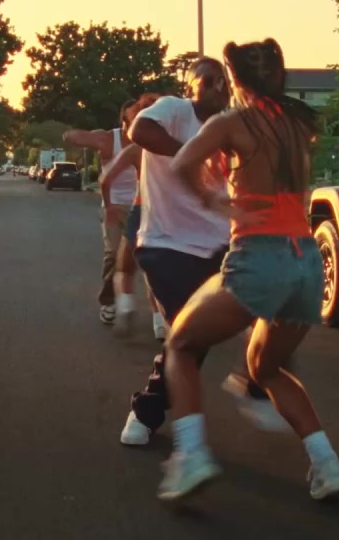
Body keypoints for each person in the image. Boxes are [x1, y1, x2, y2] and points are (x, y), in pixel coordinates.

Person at [156, 39, 339, 503]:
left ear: (236, 80)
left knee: (180, 344)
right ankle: (327, 465)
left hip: (260, 257)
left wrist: (215, 201)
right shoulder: (298, 125)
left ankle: (191, 456)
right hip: (307, 262)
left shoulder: (232, 122)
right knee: (266, 368)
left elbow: (181, 163)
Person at [118, 58, 287, 448]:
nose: (216, 87)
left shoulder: (233, 128)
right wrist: (194, 152)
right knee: (189, 335)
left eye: (222, 81)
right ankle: (148, 414)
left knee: (272, 308)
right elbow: (139, 129)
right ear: (189, 85)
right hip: (167, 246)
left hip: (221, 246)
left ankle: (253, 383)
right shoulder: (173, 110)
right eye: (207, 80)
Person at [64, 99, 141, 324]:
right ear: (124, 119)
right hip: (114, 205)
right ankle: (109, 302)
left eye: (141, 114)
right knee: (114, 254)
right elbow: (75, 136)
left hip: (143, 204)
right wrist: (75, 136)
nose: (138, 119)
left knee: (150, 256)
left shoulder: (149, 139)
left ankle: (161, 312)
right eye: (133, 116)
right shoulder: (108, 139)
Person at [97, 93, 168, 340]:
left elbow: (105, 179)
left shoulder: (136, 151)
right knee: (155, 271)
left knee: (125, 266)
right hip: (165, 211)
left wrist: (109, 207)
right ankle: (159, 323)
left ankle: (125, 306)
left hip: (140, 208)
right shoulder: (177, 146)